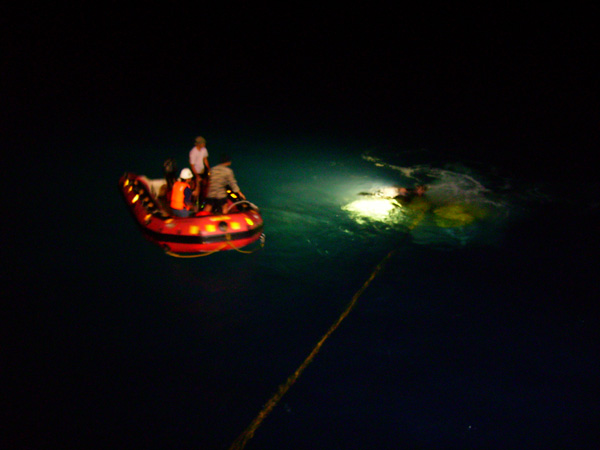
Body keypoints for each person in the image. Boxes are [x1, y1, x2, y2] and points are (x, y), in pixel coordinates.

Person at [189, 136, 211, 202]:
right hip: (196, 172)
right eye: (203, 143)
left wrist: (208, 168)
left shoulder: (204, 150)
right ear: (198, 144)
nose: (204, 144)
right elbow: (192, 165)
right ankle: (195, 200)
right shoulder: (193, 152)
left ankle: (204, 198)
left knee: (205, 185)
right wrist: (197, 175)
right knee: (197, 187)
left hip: (203, 170)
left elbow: (205, 159)